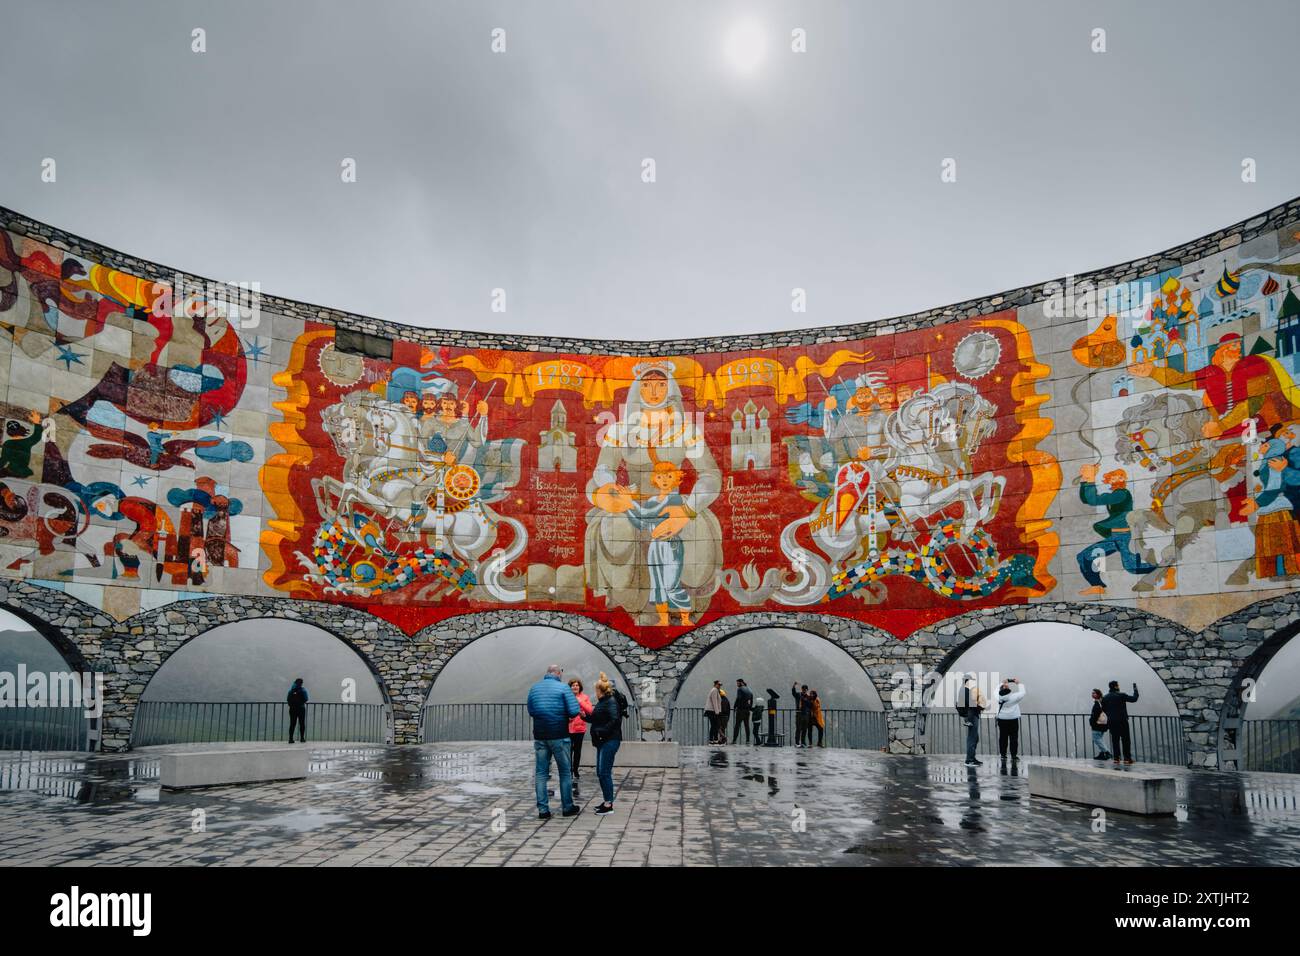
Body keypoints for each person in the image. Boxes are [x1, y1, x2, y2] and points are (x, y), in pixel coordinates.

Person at [526, 664, 582, 819]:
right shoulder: (564, 688)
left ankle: (543, 810)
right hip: (559, 735)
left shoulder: (534, 688)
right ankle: (567, 807)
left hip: (540, 736)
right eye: (561, 672)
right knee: (564, 772)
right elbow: (573, 711)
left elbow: (531, 710)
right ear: (558, 673)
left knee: (541, 773)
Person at [588, 672, 623, 815]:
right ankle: (606, 800)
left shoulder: (610, 702)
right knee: (600, 772)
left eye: (596, 690)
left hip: (610, 740)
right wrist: (585, 717)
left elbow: (615, 720)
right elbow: (597, 718)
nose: (595, 692)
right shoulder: (603, 702)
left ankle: (608, 805)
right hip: (602, 741)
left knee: (604, 772)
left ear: (600, 690)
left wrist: (600, 732)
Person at [1102, 680, 1140, 765]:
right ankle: (1127, 758)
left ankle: (1116, 758)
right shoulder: (1121, 695)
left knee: (1115, 740)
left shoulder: (1105, 697)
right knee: (1125, 739)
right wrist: (1136, 690)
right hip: (1122, 720)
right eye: (1118, 685)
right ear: (1116, 686)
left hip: (1111, 721)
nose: (1119, 686)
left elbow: (1104, 710)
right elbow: (1134, 699)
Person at [568, 678, 594, 786]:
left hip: (579, 728)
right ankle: (569, 770)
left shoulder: (585, 697)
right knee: (568, 751)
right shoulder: (567, 697)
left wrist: (580, 703)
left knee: (577, 750)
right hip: (568, 727)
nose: (575, 687)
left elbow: (590, 710)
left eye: (576, 685)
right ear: (570, 687)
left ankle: (575, 770)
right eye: (573, 685)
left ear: (580, 687)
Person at [957, 674, 987, 767]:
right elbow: (971, 703)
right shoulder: (966, 690)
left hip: (970, 715)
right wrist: (980, 707)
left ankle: (972, 758)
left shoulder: (964, 689)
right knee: (972, 738)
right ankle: (969, 760)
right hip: (972, 715)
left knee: (975, 738)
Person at [995, 678, 1026, 765]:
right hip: (1013, 719)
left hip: (1002, 719)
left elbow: (996, 689)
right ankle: (1013, 755)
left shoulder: (998, 697)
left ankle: (1003, 755)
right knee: (1013, 738)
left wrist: (1002, 683)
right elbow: (1023, 692)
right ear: (1009, 690)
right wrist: (1018, 683)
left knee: (1003, 737)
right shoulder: (1014, 697)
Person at [1089, 688, 1112, 761]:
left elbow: (1096, 714)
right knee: (1100, 739)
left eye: (1094, 693)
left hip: (1097, 725)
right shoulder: (1101, 702)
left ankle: (1106, 752)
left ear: (1098, 694)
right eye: (1092, 693)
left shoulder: (1098, 703)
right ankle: (1102, 753)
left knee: (1096, 739)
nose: (1092, 694)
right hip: (1102, 724)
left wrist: (1091, 722)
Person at [286, 678, 308, 744]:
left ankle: (290, 739)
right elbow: (306, 698)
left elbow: (288, 699)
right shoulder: (303, 690)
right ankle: (302, 738)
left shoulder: (291, 691)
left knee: (292, 723)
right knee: (302, 723)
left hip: (292, 709)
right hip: (301, 708)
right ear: (301, 683)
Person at [732, 678, 754, 743]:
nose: (737, 684)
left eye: (737, 683)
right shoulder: (749, 689)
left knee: (737, 725)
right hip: (747, 711)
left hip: (740, 710)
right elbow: (751, 700)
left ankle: (734, 740)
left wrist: (735, 706)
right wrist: (749, 707)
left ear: (741, 683)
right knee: (747, 725)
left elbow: (738, 698)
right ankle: (748, 740)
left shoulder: (740, 689)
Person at [791, 683, 812, 747]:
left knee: (805, 729)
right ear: (802, 689)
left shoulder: (808, 697)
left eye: (805, 689)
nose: (804, 690)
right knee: (798, 728)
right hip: (799, 713)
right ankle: (797, 742)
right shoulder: (798, 695)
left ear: (807, 690)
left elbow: (810, 705)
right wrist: (794, 686)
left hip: (806, 714)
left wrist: (806, 701)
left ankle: (803, 742)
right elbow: (793, 693)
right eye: (803, 689)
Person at [705, 680, 723, 744]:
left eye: (720, 685)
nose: (719, 686)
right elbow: (714, 701)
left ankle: (714, 739)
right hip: (712, 711)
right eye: (718, 685)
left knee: (714, 725)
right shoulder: (714, 690)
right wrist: (717, 712)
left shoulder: (714, 690)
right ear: (715, 684)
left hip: (712, 711)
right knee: (714, 725)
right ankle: (712, 739)